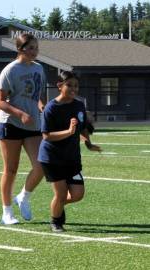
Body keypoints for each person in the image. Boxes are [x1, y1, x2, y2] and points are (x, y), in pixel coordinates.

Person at [38, 71, 101, 232]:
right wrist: (68, 131)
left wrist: (88, 143)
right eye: (69, 85)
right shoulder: (51, 108)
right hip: (52, 159)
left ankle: (57, 206)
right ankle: (56, 221)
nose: (74, 89)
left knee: (77, 194)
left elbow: (83, 127)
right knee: (60, 194)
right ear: (60, 86)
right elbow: (47, 136)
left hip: (72, 158)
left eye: (76, 86)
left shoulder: (79, 105)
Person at [0, 33, 46, 225]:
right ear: (20, 49)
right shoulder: (10, 70)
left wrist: (42, 106)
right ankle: (6, 212)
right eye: (30, 48)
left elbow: (36, 94)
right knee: (11, 169)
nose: (34, 51)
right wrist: (20, 114)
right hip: (11, 123)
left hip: (32, 124)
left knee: (41, 165)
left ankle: (23, 196)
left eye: (36, 47)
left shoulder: (39, 69)